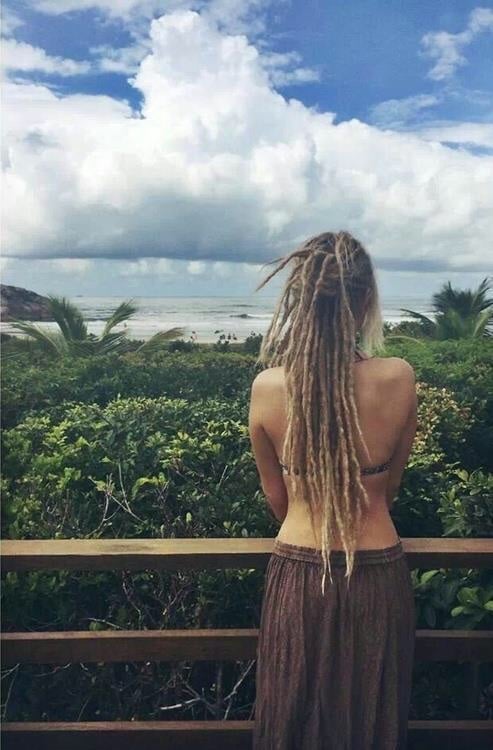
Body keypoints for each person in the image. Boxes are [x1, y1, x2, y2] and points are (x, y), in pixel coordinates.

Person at [248, 231, 417, 750]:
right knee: (368, 715)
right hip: (377, 570)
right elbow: (390, 488)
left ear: (300, 299)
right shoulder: (399, 378)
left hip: (299, 573)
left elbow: (278, 500)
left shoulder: (269, 388)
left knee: (293, 718)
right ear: (366, 300)